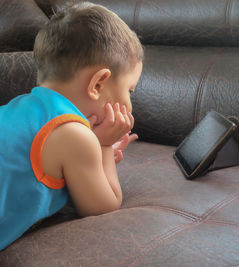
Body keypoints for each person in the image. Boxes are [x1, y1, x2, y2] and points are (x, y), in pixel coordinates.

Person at [0, 1, 144, 250]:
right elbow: (103, 206)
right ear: (98, 84)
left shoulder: (21, 107)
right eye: (129, 90)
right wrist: (104, 145)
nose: (130, 104)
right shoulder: (74, 135)